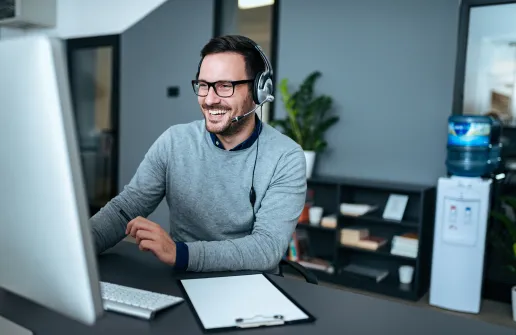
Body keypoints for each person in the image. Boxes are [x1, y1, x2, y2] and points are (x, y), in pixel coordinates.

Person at [89, 35, 307, 272]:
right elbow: (126, 208)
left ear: (257, 90)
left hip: (250, 285)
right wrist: (78, 248)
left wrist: (180, 253)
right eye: (204, 85)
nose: (210, 99)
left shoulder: (286, 157)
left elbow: (266, 248)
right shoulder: (174, 141)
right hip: (183, 278)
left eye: (225, 86)